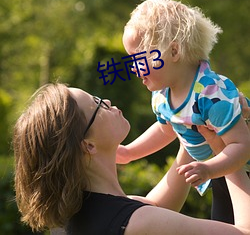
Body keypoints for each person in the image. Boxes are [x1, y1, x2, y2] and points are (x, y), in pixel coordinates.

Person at [13, 83, 250, 235]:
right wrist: (226, 150)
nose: (106, 101)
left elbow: (156, 206)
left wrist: (190, 122)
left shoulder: (73, 219)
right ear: (88, 145)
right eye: (97, 105)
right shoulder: (138, 223)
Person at [118, 0, 250, 224]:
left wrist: (209, 168)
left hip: (239, 171)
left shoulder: (211, 94)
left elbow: (242, 145)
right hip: (220, 174)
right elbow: (166, 129)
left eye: (138, 58)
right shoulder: (162, 95)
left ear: (174, 52)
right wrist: (130, 152)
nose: (133, 68)